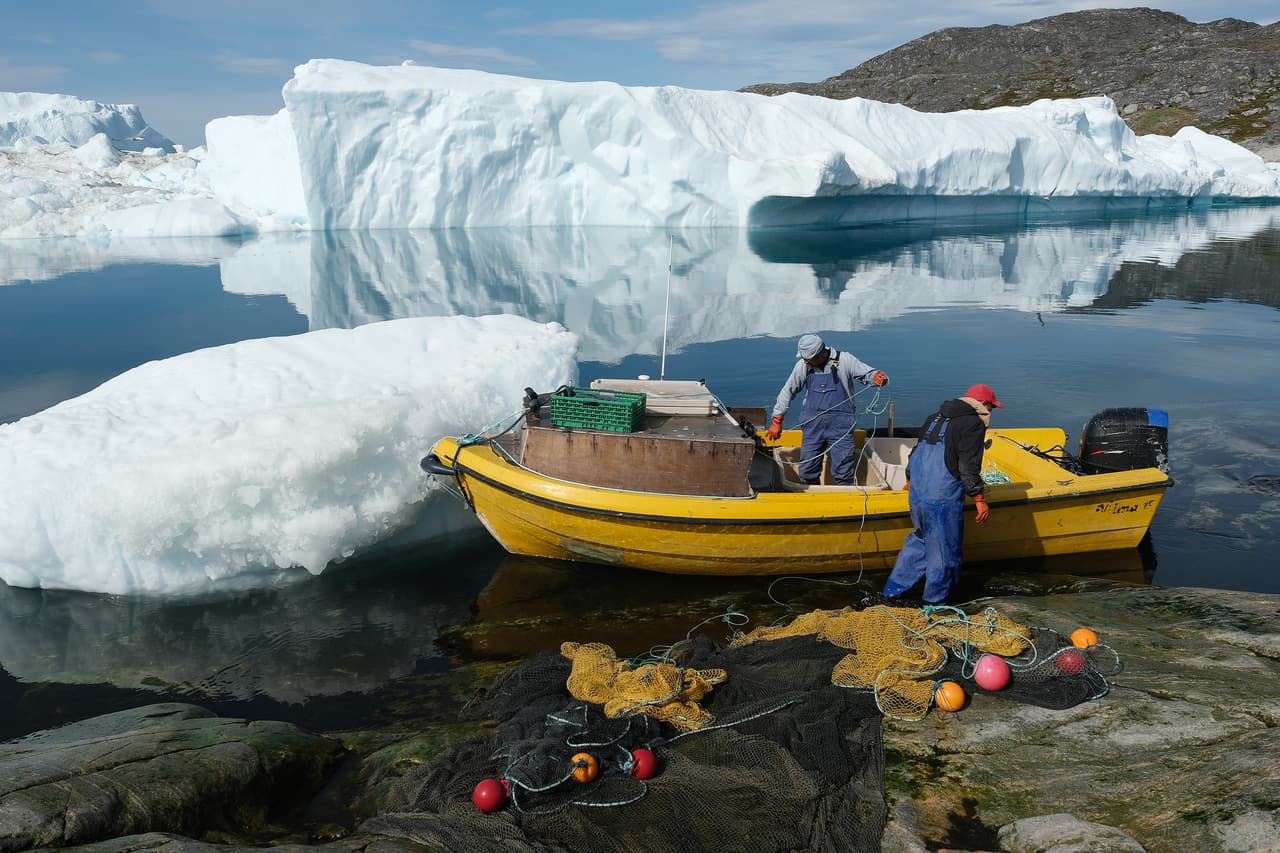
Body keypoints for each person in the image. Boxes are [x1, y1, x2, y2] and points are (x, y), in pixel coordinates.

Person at [881, 383, 1003, 604]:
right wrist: (979, 498)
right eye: (991, 407)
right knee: (944, 550)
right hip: (941, 497)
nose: (991, 411)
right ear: (983, 405)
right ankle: (934, 604)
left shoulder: (934, 417)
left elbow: (916, 451)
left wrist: (909, 479)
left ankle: (892, 592)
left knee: (920, 541)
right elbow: (968, 465)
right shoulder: (973, 424)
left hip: (918, 492)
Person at [765, 334, 888, 485]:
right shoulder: (803, 366)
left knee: (844, 471)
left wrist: (877, 377)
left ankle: (845, 502)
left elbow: (867, 374)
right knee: (807, 470)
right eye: (804, 359)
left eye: (809, 359)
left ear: (820, 353)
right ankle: (811, 498)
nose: (806, 362)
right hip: (813, 425)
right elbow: (787, 391)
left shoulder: (845, 360)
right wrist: (777, 419)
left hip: (841, 426)